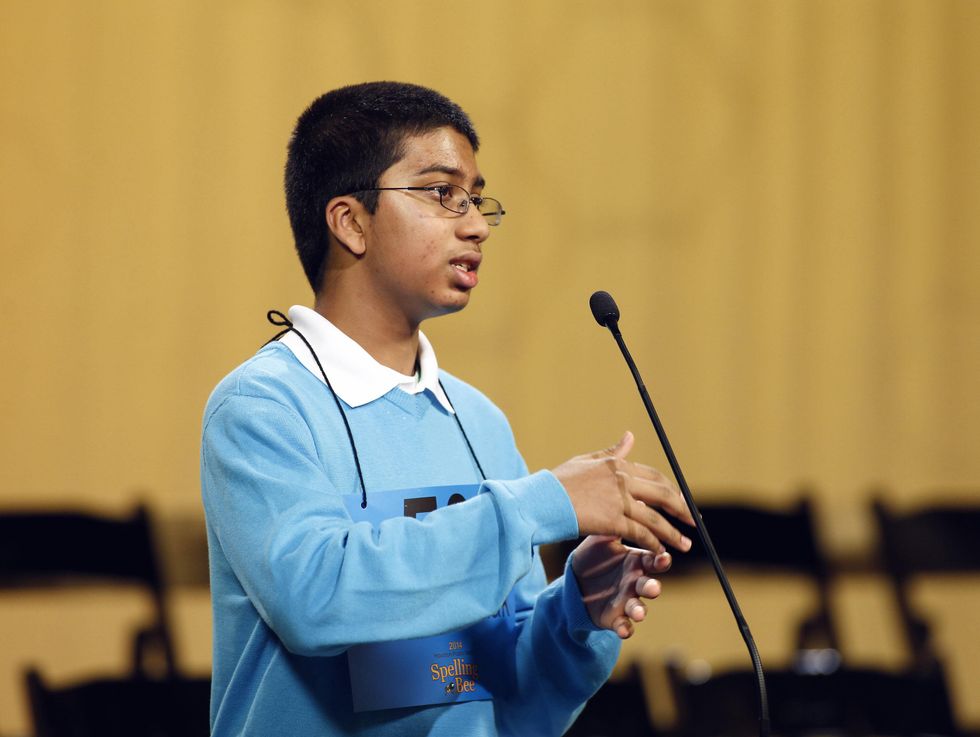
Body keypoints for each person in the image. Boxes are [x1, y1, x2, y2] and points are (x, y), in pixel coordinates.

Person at [200, 81, 694, 737]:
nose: (474, 224)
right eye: (440, 193)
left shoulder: (478, 419)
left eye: (475, 197)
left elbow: (506, 698)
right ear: (350, 221)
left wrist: (574, 615)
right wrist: (539, 502)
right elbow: (317, 597)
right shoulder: (263, 406)